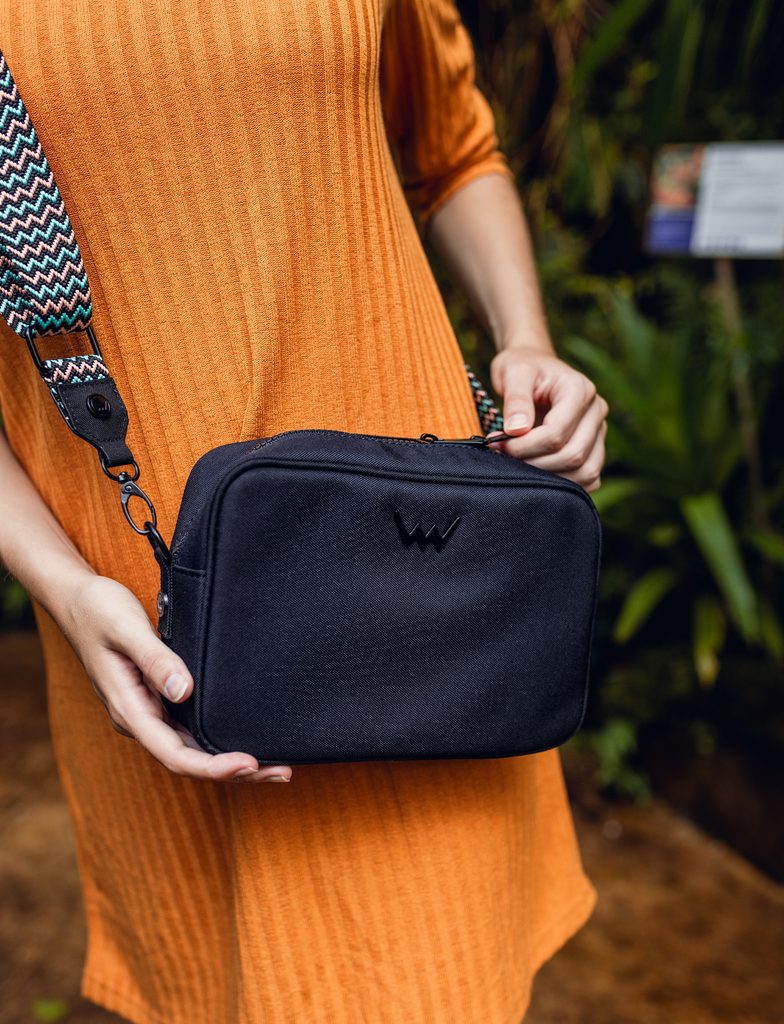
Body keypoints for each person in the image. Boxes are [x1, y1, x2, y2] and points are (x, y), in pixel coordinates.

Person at [0, 1, 608, 1021]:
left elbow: (455, 151)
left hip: (428, 584)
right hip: (154, 628)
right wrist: (63, 591)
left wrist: (527, 340)